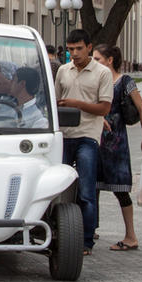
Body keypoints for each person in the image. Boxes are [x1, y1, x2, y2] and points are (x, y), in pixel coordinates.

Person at [56, 29, 112, 255]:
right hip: (64, 136)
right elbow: (56, 103)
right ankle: (60, 235)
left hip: (87, 136)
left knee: (87, 190)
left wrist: (77, 104)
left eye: (79, 48)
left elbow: (104, 108)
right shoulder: (63, 70)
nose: (74, 53)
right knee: (59, 188)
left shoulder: (102, 73)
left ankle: (86, 241)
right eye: (70, 49)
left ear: (89, 47)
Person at [92, 44, 142, 251]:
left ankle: (130, 236)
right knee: (93, 187)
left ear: (110, 60)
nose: (94, 62)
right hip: (96, 141)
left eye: (98, 59)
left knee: (120, 190)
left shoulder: (125, 82)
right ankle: (91, 228)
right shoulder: (98, 80)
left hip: (116, 144)